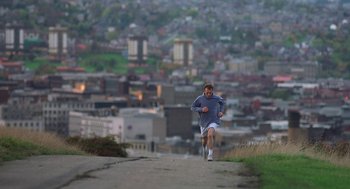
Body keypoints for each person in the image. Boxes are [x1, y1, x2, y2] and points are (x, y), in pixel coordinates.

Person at [191, 83, 225, 161]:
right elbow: (192, 107)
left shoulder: (216, 98)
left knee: (210, 135)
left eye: (210, 92)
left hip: (214, 120)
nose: (209, 94)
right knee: (204, 140)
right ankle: (204, 149)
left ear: (212, 91)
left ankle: (210, 154)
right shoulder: (200, 98)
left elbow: (222, 103)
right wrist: (201, 109)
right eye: (207, 93)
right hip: (203, 122)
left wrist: (221, 112)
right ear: (204, 91)